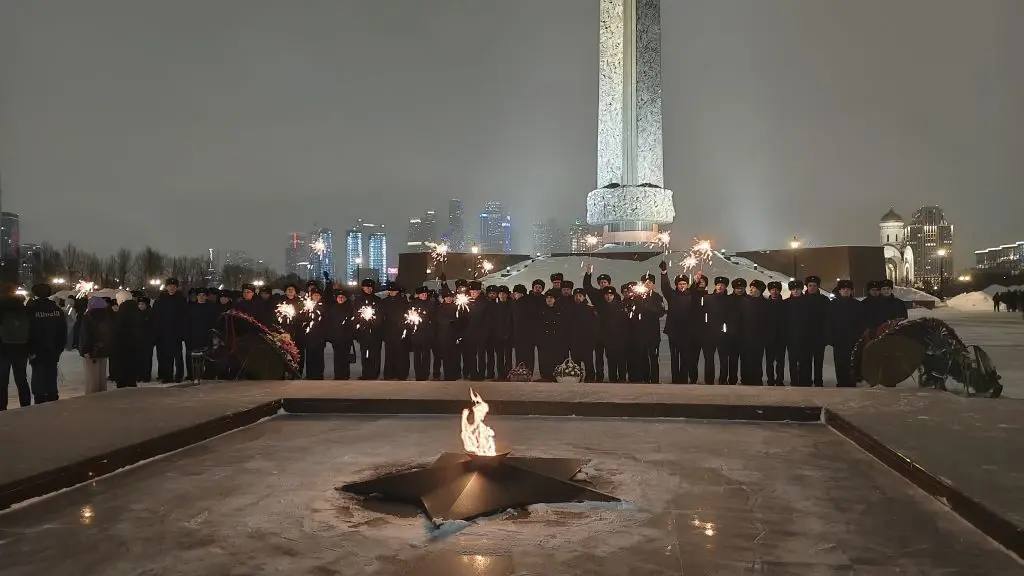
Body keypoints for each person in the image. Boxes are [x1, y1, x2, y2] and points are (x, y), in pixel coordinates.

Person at [27, 284, 66, 403]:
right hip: (53, 349)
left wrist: (30, 349)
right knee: (51, 373)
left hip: (37, 349)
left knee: (38, 373)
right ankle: (52, 395)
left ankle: (39, 398)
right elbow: (63, 331)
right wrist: (59, 348)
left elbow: (28, 330)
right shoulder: (56, 310)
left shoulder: (31, 309)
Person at [659, 262, 694, 384]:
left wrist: (698, 279)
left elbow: (697, 287)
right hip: (673, 332)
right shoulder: (672, 295)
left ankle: (683, 379)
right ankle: (675, 379)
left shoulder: (692, 295)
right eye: (680, 284)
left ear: (687, 284)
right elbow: (665, 287)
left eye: (684, 283)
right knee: (674, 357)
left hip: (687, 332)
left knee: (685, 357)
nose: (682, 285)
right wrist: (664, 272)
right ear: (677, 285)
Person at [0, 284, 32, 410]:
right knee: (21, 379)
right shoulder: (23, 308)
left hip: (2, 349)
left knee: (2, 382)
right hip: (21, 348)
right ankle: (25, 405)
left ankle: (2, 408)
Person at [829, 279, 864, 387]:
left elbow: (861, 322)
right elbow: (828, 322)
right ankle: (841, 382)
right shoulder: (832, 305)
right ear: (839, 291)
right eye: (843, 289)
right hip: (838, 340)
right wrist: (831, 338)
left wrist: (858, 337)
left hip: (853, 340)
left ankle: (851, 382)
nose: (845, 291)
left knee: (852, 362)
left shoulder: (857, 305)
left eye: (848, 289)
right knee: (840, 363)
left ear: (851, 291)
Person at [153, 278, 187, 383]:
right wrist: (158, 332)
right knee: (166, 356)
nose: (172, 288)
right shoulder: (160, 300)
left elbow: (184, 317)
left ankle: (179, 375)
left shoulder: (181, 299)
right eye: (170, 286)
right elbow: (156, 317)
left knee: (178, 356)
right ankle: (167, 376)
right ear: (166, 287)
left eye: (174, 286)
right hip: (164, 332)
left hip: (176, 332)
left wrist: (182, 332)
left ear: (177, 287)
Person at [79, 296, 114, 394]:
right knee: (101, 375)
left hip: (91, 351)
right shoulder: (108, 316)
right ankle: (102, 394)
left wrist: (85, 350)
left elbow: (85, 335)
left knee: (92, 376)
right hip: (104, 350)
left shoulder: (88, 317)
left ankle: (92, 397)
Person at [583, 267, 613, 381]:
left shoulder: (615, 295)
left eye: (605, 282)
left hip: (610, 332)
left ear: (609, 283)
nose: (603, 284)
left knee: (610, 356)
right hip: (598, 331)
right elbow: (587, 286)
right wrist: (588, 273)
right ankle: (599, 377)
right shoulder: (595, 293)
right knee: (598, 356)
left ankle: (612, 377)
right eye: (601, 282)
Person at [739, 279, 769, 385]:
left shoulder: (765, 303)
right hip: (744, 337)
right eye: (750, 287)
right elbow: (739, 319)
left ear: (760, 290)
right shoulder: (743, 301)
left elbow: (767, 322)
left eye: (754, 288)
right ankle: (745, 379)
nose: (751, 289)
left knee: (757, 359)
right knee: (745, 359)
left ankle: (757, 379)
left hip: (759, 338)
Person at [701, 277, 730, 385]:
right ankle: (709, 380)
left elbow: (731, 317)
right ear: (715, 285)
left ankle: (723, 380)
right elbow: (702, 313)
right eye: (718, 284)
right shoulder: (707, 298)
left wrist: (727, 330)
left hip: (723, 334)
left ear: (726, 287)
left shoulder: (729, 299)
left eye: (722, 285)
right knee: (709, 359)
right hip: (709, 334)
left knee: (723, 359)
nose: (720, 286)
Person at [351, 279, 383, 379]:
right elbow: (355, 316)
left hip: (375, 332)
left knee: (375, 354)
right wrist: (357, 331)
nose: (369, 289)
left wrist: (375, 324)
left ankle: (374, 373)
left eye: (370, 287)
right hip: (363, 332)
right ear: (363, 288)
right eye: (367, 287)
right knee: (365, 353)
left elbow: (381, 316)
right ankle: (366, 373)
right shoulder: (358, 300)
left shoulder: (377, 300)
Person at [112, 290, 144, 388]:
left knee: (122, 365)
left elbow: (118, 327)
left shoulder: (123, 309)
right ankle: (131, 382)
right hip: (134, 342)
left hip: (122, 343)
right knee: (132, 364)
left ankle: (122, 383)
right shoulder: (135, 308)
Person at [803, 276, 830, 387]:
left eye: (814, 285)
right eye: (810, 285)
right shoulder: (802, 300)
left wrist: (826, 336)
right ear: (807, 286)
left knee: (818, 362)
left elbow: (828, 319)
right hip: (805, 337)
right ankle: (807, 381)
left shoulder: (824, 300)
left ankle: (819, 381)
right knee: (806, 361)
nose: (812, 288)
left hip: (819, 337)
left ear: (818, 286)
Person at [184, 289, 217, 382]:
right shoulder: (191, 308)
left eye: (203, 295)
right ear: (197, 296)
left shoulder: (211, 307)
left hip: (207, 337)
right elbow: (187, 323)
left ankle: (209, 375)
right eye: (199, 295)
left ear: (206, 296)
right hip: (194, 337)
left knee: (208, 358)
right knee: (194, 359)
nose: (201, 297)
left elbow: (214, 323)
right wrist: (187, 336)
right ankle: (193, 375)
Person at [597, 286, 628, 382]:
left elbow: (625, 323)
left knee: (621, 360)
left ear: (614, 296)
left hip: (620, 339)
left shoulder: (620, 306)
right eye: (606, 295)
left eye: (610, 295)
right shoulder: (601, 308)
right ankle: (612, 379)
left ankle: (622, 379)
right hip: (608, 340)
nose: (608, 297)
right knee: (611, 361)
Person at [537, 288, 568, 381]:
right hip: (544, 339)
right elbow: (537, 325)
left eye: (551, 298)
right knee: (544, 358)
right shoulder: (541, 310)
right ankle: (545, 376)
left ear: (555, 299)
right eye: (547, 298)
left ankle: (556, 376)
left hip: (556, 338)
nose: (549, 299)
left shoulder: (560, 310)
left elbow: (563, 325)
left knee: (556, 358)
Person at [568, 288, 598, 381]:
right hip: (574, 341)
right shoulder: (570, 309)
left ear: (584, 297)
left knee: (588, 362)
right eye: (576, 296)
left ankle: (590, 379)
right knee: (576, 363)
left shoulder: (590, 309)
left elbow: (595, 327)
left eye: (580, 296)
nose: (578, 297)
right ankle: (577, 378)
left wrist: (593, 342)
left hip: (587, 342)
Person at [463, 281, 490, 380]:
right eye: (471, 291)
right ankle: (473, 373)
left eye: (474, 291)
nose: (472, 293)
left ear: (479, 291)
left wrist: (485, 332)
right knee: (471, 354)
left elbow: (487, 319)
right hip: (470, 333)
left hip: (481, 333)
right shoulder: (468, 302)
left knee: (481, 355)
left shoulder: (484, 302)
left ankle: (481, 373)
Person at [408, 286, 436, 381]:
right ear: (418, 294)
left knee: (426, 355)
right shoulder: (413, 304)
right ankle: (418, 373)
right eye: (422, 294)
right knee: (417, 355)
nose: (424, 295)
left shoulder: (431, 304)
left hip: (427, 333)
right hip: (416, 333)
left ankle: (425, 373)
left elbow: (433, 318)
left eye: (425, 294)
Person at [326, 289, 355, 380]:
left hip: (346, 338)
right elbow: (329, 323)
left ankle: (345, 374)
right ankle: (338, 374)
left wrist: (350, 335)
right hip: (336, 338)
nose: (341, 298)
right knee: (337, 357)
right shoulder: (333, 308)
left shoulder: (350, 308)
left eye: (343, 297)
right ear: (336, 298)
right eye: (339, 297)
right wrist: (330, 336)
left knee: (345, 357)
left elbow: (353, 323)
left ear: (346, 298)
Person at [784, 280, 808, 386]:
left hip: (805, 336)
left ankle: (804, 380)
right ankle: (794, 380)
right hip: (791, 337)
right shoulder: (786, 303)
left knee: (805, 360)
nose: (795, 291)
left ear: (801, 289)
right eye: (793, 289)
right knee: (792, 360)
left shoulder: (808, 302)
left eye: (797, 289)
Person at [763, 281, 787, 386]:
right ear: (769, 291)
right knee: (769, 361)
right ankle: (770, 380)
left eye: (777, 289)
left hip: (781, 338)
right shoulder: (765, 304)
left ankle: (780, 380)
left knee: (780, 361)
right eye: (772, 289)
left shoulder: (785, 304)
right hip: (769, 337)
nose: (774, 291)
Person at [301, 287, 328, 380]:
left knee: (319, 356)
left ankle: (319, 374)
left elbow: (326, 321)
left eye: (318, 295)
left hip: (320, 336)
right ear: (311, 296)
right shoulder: (307, 306)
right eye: (314, 295)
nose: (316, 296)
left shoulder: (323, 306)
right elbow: (303, 319)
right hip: (309, 336)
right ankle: (310, 374)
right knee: (309, 356)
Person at [510, 284, 536, 375]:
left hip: (523, 334)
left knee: (523, 355)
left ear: (521, 294)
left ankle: (523, 372)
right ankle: (525, 372)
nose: (515, 295)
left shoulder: (520, 303)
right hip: (524, 335)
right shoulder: (518, 303)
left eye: (516, 293)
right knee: (525, 355)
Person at [490, 286, 513, 379]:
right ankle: (500, 374)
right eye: (500, 294)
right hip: (497, 335)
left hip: (508, 335)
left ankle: (508, 374)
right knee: (499, 356)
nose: (502, 295)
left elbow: (512, 321)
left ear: (507, 295)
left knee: (508, 356)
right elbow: (492, 321)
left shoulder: (511, 305)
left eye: (504, 294)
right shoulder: (495, 306)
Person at [137, 296, 155, 383]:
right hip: (139, 340)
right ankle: (139, 375)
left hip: (147, 340)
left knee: (147, 358)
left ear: (146, 305)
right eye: (139, 304)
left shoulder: (150, 313)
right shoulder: (137, 313)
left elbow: (153, 327)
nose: (140, 306)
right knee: (139, 358)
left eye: (142, 304)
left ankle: (146, 376)